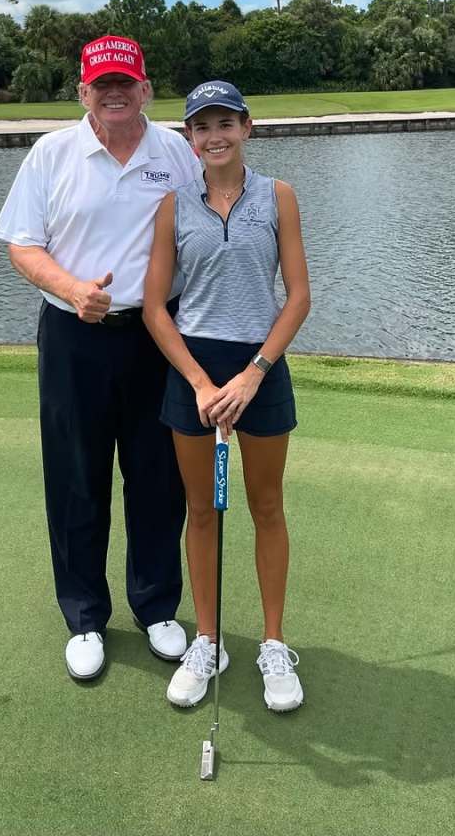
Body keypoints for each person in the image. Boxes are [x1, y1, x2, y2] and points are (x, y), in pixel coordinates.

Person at [0, 36, 199, 681]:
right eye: (100, 84)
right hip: (74, 335)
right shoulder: (52, 153)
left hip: (158, 334)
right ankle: (84, 616)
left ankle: (156, 607)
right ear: (83, 92)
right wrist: (73, 288)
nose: (114, 93)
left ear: (145, 90)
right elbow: (22, 245)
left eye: (125, 83)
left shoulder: (178, 153)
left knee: (157, 475)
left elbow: (210, 225)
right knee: (77, 477)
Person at [143, 80, 311, 712]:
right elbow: (157, 308)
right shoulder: (173, 205)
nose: (214, 137)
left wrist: (253, 374)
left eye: (224, 124)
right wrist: (200, 383)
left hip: (259, 364)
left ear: (247, 128)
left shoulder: (279, 197)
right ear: (189, 139)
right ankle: (209, 640)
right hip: (196, 368)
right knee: (202, 509)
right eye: (200, 127)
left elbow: (297, 296)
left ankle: (272, 644)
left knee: (266, 507)